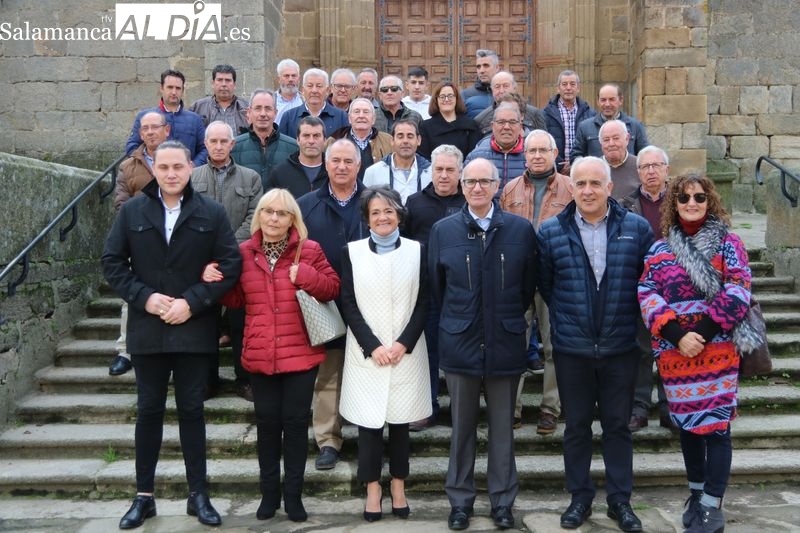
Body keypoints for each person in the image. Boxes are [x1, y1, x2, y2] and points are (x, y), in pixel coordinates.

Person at [101, 141, 242, 530]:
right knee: (148, 412)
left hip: (194, 330)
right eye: (163, 167)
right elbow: (111, 262)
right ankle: (143, 497)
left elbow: (230, 264)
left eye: (177, 166)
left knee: (192, 412)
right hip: (147, 330)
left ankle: (198, 495)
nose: (170, 173)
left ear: (189, 168)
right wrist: (144, 299)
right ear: (155, 170)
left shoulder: (210, 212)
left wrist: (193, 302)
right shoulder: (132, 211)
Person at [202, 188, 340, 523]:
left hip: (300, 356)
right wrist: (212, 277)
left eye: (282, 213)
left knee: (294, 427)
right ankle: (269, 495)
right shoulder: (244, 253)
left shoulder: (309, 250)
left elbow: (332, 286)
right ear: (258, 216)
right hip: (261, 354)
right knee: (266, 426)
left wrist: (304, 276)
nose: (274, 218)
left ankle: (293, 497)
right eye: (268, 212)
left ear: (293, 218)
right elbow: (235, 300)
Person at [537, 156, 653, 532]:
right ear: (572, 187)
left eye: (594, 183)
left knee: (618, 428)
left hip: (620, 348)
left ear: (609, 187)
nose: (586, 190)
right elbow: (548, 287)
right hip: (573, 351)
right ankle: (580, 498)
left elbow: (645, 285)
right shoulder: (551, 232)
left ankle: (620, 501)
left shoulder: (636, 229)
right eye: (580, 183)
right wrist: (577, 321)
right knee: (577, 429)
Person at [638, 174, 755, 533]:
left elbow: (738, 291)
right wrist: (676, 335)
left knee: (717, 428)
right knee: (688, 427)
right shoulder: (659, 250)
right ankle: (696, 493)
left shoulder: (728, 243)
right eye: (684, 198)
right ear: (673, 204)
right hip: (677, 355)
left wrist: (699, 334)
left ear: (710, 201)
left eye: (699, 197)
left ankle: (711, 505)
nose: (692, 203)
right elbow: (647, 292)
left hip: (717, 350)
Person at [429, 158, 537, 531]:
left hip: (505, 342)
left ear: (496, 186)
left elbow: (526, 288)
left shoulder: (520, 231)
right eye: (470, 181)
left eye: (484, 181)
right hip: (461, 343)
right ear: (461, 186)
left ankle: (502, 502)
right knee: (461, 428)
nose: (477, 187)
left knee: (503, 429)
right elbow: (437, 289)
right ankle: (460, 501)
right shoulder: (444, 231)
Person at [339, 186, 431, 522]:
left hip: (405, 351)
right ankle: (373, 489)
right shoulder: (352, 252)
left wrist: (403, 343)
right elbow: (347, 302)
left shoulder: (416, 251)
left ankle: (398, 487)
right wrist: (373, 345)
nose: (382, 217)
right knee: (368, 424)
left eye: (389, 211)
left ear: (399, 216)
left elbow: (424, 302)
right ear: (366, 218)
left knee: (401, 424)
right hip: (367, 353)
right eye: (375, 212)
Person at [297, 139, 371, 471]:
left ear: (359, 165)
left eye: (348, 161)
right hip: (324, 302)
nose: (341, 166)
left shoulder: (376, 202)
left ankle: (371, 433)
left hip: (371, 301)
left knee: (371, 370)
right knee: (328, 375)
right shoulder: (306, 205)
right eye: (335, 161)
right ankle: (328, 440)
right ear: (325, 165)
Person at [499, 129, 572, 435]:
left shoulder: (571, 189)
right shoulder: (510, 189)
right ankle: (510, 410)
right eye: (532, 151)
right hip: (517, 277)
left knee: (554, 345)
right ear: (524, 155)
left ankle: (549, 408)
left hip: (555, 278)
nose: (538, 156)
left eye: (544, 150)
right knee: (513, 343)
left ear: (555, 154)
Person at [191, 121, 263, 400]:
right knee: (205, 323)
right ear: (206, 144)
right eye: (213, 141)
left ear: (233, 144)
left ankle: (244, 379)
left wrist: (227, 250)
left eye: (224, 141)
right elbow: (188, 216)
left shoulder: (251, 177)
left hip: (240, 261)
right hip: (202, 263)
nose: (219, 146)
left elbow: (255, 216)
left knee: (241, 324)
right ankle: (209, 379)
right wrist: (206, 253)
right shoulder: (192, 177)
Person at [403, 144, 466, 431]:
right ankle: (426, 406)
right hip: (425, 291)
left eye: (450, 170)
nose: (443, 175)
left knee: (459, 351)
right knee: (426, 351)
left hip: (461, 292)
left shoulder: (469, 202)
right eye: (438, 169)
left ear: (460, 172)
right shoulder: (415, 203)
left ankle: (460, 409)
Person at [108, 111, 170, 377]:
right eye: (145, 128)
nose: (150, 132)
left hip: (173, 235)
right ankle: (125, 350)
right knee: (131, 296)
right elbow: (121, 202)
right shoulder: (129, 165)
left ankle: (168, 349)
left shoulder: (176, 158)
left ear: (166, 130)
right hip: (140, 237)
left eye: (155, 127)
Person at [620, 145, 671, 433]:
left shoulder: (681, 201)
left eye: (656, 166)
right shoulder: (625, 204)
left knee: (669, 347)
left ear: (666, 170)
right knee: (641, 350)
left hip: (676, 289)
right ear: (637, 172)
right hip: (640, 287)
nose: (650, 171)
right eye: (645, 167)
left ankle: (669, 408)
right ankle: (639, 409)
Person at [125, 69, 208, 166]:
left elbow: (205, 149)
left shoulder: (195, 119)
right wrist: (150, 167)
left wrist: (193, 166)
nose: (174, 92)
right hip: (152, 177)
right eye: (170, 87)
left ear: (182, 91)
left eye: (178, 88)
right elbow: (132, 147)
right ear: (162, 88)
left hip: (187, 177)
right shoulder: (144, 117)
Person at [231, 89, 298, 191]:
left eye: (268, 109)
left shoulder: (293, 148)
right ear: (249, 112)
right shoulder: (234, 146)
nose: (263, 114)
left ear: (275, 113)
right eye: (258, 108)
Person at [571, 83, 648, 162]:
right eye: (603, 100)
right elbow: (576, 156)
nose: (607, 104)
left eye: (612, 99)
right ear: (598, 102)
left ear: (621, 100)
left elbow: (646, 155)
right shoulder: (585, 127)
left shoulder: (635, 126)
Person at [362, 119, 432, 203]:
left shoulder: (431, 172)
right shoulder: (374, 172)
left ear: (418, 140)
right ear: (392, 141)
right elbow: (365, 206)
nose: (405, 141)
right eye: (400, 136)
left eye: (410, 136)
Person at [542, 70, 596, 174]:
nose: (568, 88)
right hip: (555, 171)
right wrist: (559, 165)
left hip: (583, 169)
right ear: (558, 88)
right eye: (564, 84)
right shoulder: (545, 114)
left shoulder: (590, 114)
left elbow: (592, 144)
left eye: (572, 84)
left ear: (578, 88)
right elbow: (545, 142)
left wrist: (576, 163)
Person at [326, 97, 393, 181]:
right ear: (350, 118)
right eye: (357, 112)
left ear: (373, 119)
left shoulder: (389, 141)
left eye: (366, 112)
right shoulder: (334, 141)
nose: (361, 116)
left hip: (377, 192)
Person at [464, 103, 527, 189]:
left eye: (512, 122)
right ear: (492, 126)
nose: (507, 127)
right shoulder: (476, 156)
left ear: (520, 126)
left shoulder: (531, 155)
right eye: (501, 122)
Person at [266, 116, 329, 198]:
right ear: (298, 140)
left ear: (324, 140)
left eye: (316, 136)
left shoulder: (334, 171)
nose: (311, 141)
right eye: (306, 136)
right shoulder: (280, 173)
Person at [418, 82, 481, 161]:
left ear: (456, 99)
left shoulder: (470, 125)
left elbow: (474, 156)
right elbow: (423, 158)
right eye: (442, 96)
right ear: (436, 100)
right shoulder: (425, 127)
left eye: (450, 96)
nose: (447, 99)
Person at [279, 68, 349, 137]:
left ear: (327, 90)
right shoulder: (289, 117)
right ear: (303, 90)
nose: (314, 90)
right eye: (310, 86)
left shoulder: (341, 117)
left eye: (319, 86)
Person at [474, 72, 546, 136]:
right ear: (492, 90)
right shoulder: (481, 120)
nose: (501, 91)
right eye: (497, 87)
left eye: (506, 86)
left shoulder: (535, 114)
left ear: (515, 88)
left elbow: (544, 141)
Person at [189, 64, 249, 134]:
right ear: (213, 83)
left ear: (234, 85)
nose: (224, 84)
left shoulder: (246, 108)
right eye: (220, 80)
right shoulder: (198, 107)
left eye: (228, 80)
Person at [600, 119, 640, 200]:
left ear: (627, 139)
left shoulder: (641, 165)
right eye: (606, 140)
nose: (611, 144)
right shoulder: (593, 168)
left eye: (616, 138)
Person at [463, 49, 501, 118]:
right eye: (478, 67)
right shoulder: (465, 95)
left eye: (486, 65)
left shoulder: (508, 93)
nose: (481, 71)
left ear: (497, 67)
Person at [274, 58, 304, 124]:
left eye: (294, 76)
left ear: (299, 79)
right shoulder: (270, 101)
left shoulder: (305, 101)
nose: (290, 79)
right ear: (279, 79)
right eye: (286, 76)